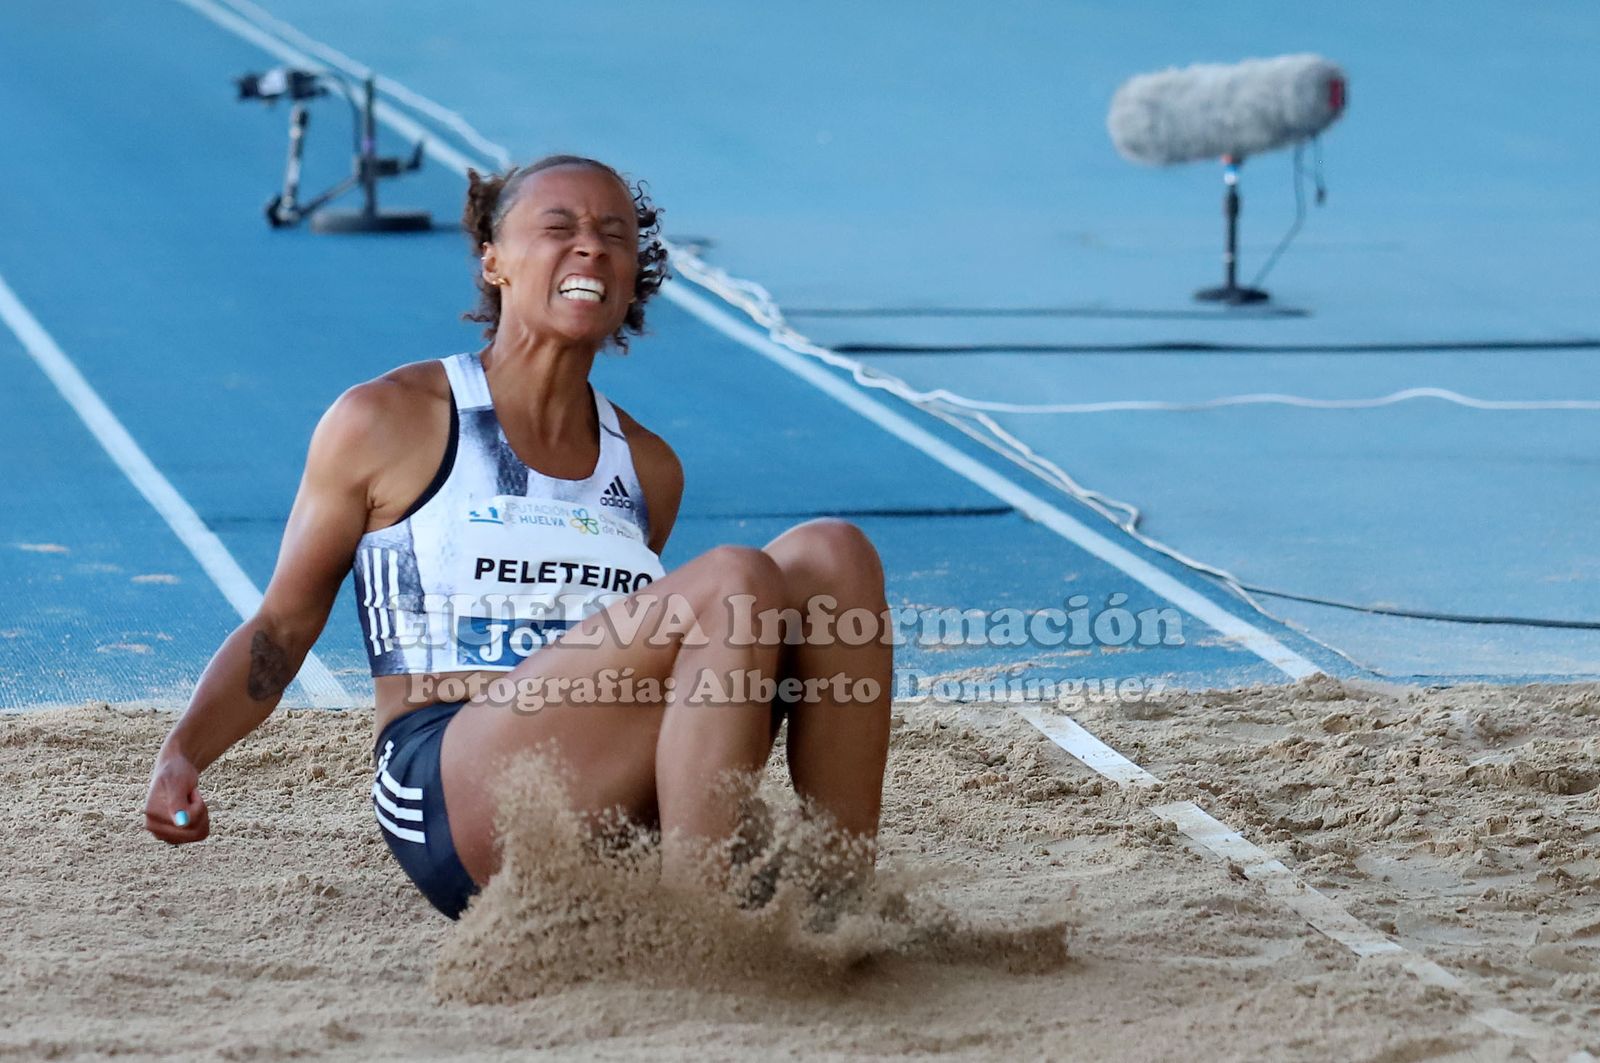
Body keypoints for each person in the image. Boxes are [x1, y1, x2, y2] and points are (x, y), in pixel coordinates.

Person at [143, 155, 894, 919]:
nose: (592, 248)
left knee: (835, 555)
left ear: (636, 273)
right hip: (456, 782)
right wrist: (183, 754)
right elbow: (282, 625)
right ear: (493, 260)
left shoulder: (648, 466)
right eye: (559, 228)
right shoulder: (389, 420)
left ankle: (835, 901)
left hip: (614, 781)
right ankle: (705, 932)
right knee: (735, 580)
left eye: (615, 235)